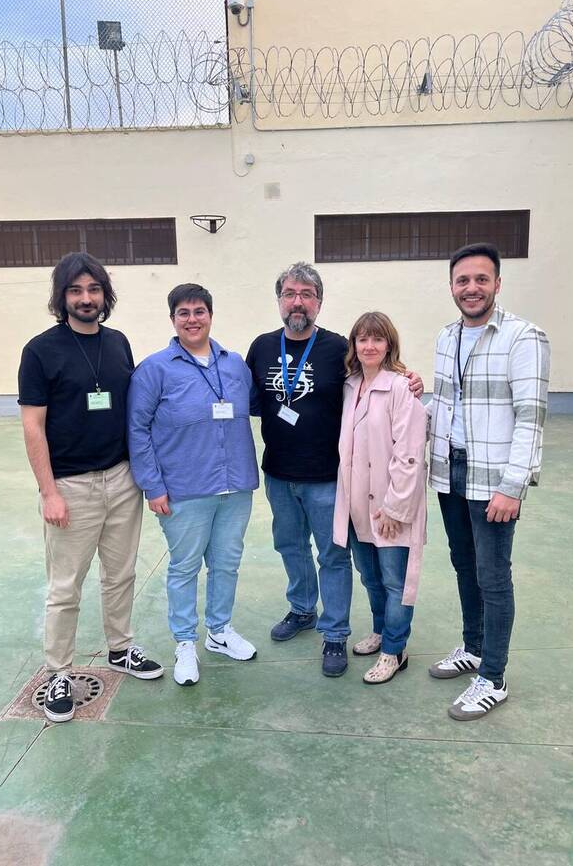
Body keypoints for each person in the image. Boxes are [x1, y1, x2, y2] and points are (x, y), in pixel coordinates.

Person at [246, 262, 423, 677]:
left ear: (319, 303)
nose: (298, 302)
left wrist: (409, 378)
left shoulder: (336, 349)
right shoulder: (261, 347)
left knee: (334, 556)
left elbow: (376, 378)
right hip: (278, 473)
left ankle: (335, 633)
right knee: (290, 548)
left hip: (328, 477)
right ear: (279, 300)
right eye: (290, 293)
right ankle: (302, 609)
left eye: (307, 294)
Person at [18, 252, 163, 724]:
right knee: (65, 587)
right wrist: (49, 492)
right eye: (76, 291)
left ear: (105, 295)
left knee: (120, 575)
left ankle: (120, 647)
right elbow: (33, 428)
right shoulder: (40, 351)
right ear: (62, 297)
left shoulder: (119, 343)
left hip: (122, 479)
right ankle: (58, 671)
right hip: (71, 485)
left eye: (93, 290)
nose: (86, 299)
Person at [428, 242, 550, 720]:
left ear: (497, 284)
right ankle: (474, 647)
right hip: (450, 471)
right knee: (464, 566)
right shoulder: (446, 337)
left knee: (494, 578)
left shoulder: (524, 338)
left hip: (493, 479)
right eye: (463, 281)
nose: (471, 288)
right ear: (452, 287)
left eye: (481, 279)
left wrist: (512, 485)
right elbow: (446, 405)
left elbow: (531, 417)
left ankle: (493, 676)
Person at [127, 284, 259, 687]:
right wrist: (153, 486)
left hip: (235, 485)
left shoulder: (234, 364)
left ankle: (219, 632)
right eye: (183, 313)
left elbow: (258, 403)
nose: (192, 319)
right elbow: (137, 429)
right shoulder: (154, 369)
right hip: (184, 489)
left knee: (226, 564)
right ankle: (185, 642)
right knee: (185, 567)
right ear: (172, 320)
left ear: (210, 315)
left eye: (199, 311)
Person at [333, 312, 427, 683]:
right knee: (371, 578)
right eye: (362, 339)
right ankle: (380, 631)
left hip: (390, 508)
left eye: (377, 339)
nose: (369, 346)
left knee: (395, 582)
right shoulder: (349, 385)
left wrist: (394, 507)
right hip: (357, 506)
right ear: (354, 345)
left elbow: (409, 454)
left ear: (389, 344)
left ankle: (394, 650)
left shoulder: (401, 388)